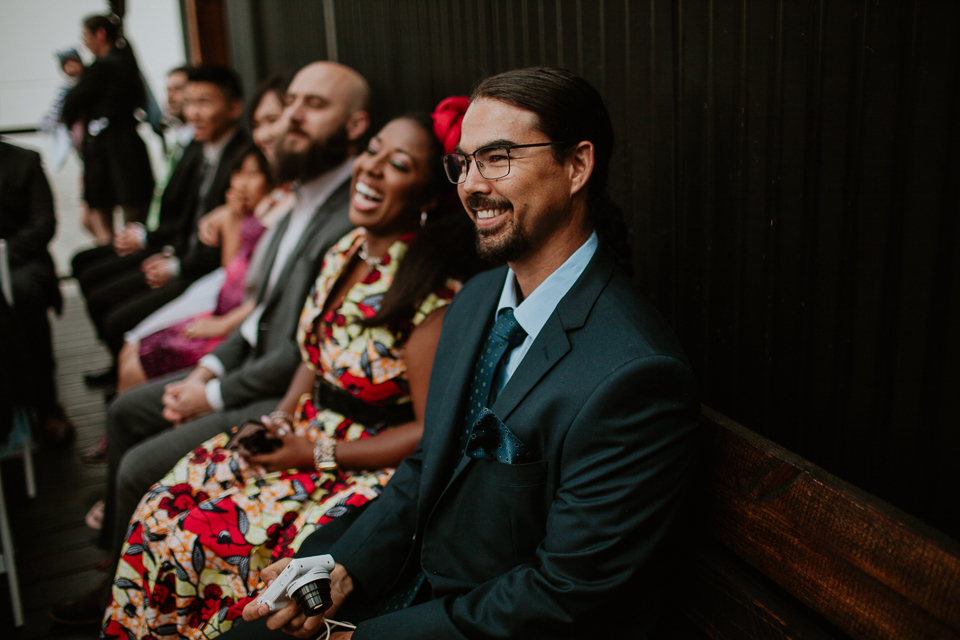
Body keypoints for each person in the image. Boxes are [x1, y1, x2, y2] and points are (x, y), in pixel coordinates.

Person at [233, 67, 702, 640]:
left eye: (499, 157)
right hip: (409, 591)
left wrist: (364, 638)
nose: (473, 184)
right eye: (464, 162)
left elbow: (565, 596)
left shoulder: (635, 374)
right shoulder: (477, 300)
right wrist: (341, 568)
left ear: (577, 166)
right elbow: (431, 464)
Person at [102, 101, 482, 640]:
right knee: (159, 507)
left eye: (398, 164)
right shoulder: (344, 250)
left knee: (198, 539)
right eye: (372, 152)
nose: (370, 167)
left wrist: (314, 453)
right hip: (302, 427)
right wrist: (282, 417)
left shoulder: (432, 294)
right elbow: (314, 350)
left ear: (426, 196)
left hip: (361, 460)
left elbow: (427, 432)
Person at [49, 61, 368, 626]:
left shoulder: (349, 215)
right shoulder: (298, 196)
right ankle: (114, 572)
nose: (290, 117)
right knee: (127, 410)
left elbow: (300, 349)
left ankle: (123, 594)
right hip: (242, 362)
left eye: (313, 106)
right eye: (289, 102)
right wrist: (206, 373)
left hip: (281, 391)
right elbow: (255, 312)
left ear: (354, 126)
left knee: (139, 467)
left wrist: (215, 395)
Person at [71, 65, 249, 377]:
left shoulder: (243, 159)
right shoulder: (200, 147)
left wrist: (176, 264)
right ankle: (124, 373)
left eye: (204, 102)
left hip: (208, 272)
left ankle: (130, 378)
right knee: (92, 276)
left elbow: (228, 243)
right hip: (182, 253)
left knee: (117, 316)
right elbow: (184, 220)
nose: (193, 112)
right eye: (189, 102)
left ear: (235, 107)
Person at [118, 143, 273, 390]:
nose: (242, 183)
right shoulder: (247, 215)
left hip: (235, 320)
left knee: (134, 368)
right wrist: (231, 217)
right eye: (239, 172)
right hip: (224, 306)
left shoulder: (275, 217)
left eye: (253, 174)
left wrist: (223, 324)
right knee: (131, 349)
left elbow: (264, 292)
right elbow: (231, 271)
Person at [0, 141, 75, 447]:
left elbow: (44, 225)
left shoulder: (25, 161)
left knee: (25, 291)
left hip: (20, 259)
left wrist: (3, 258)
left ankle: (46, 404)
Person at [61, 13, 154, 244]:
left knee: (108, 213)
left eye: (86, 37)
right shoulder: (128, 63)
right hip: (126, 147)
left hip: (109, 152)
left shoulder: (103, 68)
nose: (85, 43)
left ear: (100, 34)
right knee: (132, 210)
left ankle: (113, 254)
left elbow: (70, 104)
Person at [39, 47, 84, 172]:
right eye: (66, 65)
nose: (70, 67)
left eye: (73, 63)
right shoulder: (64, 88)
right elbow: (56, 109)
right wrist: (50, 123)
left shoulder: (88, 82)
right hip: (73, 129)